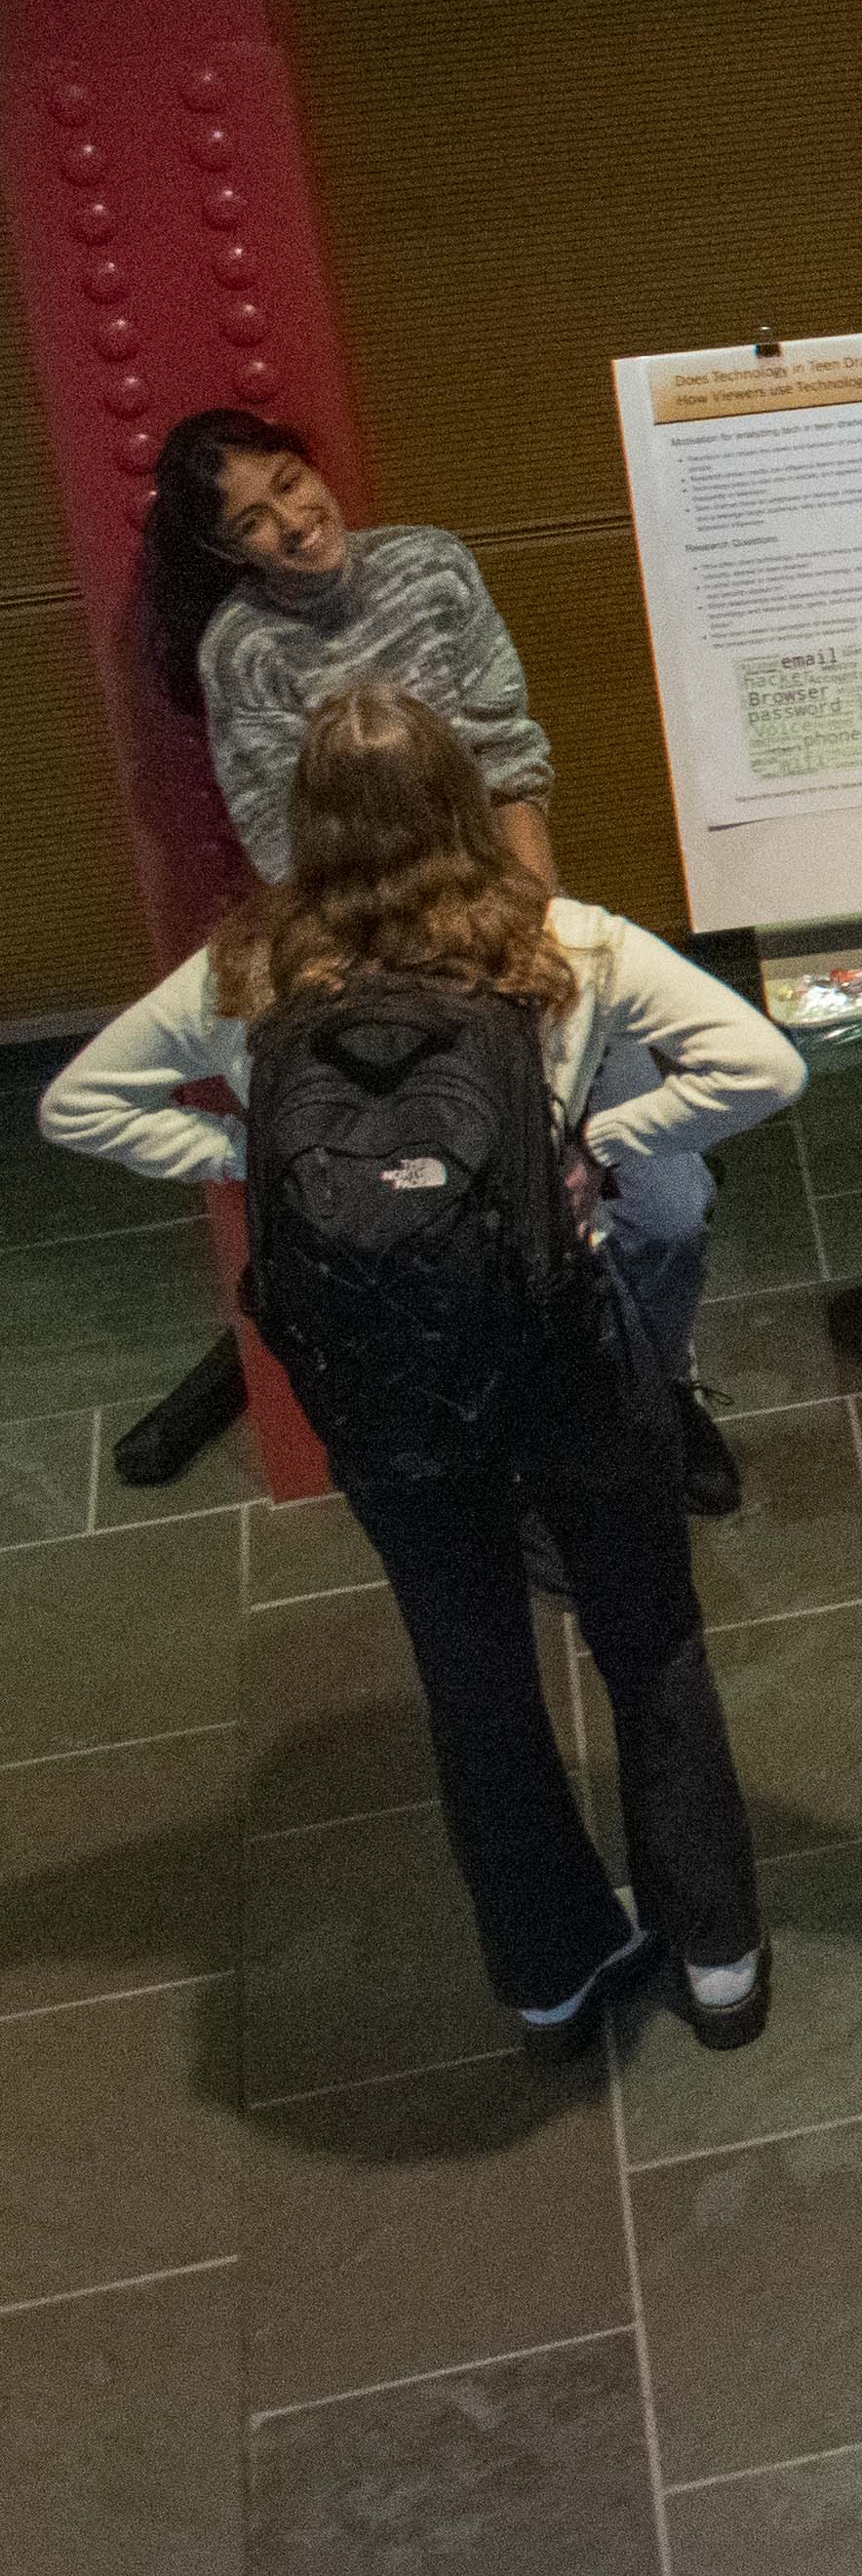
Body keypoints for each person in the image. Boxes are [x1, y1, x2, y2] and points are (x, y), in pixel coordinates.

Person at [40, 687, 789, 2057]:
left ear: (305, 823)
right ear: (462, 801)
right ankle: (720, 1956)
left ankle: (550, 1974)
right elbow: (762, 1064)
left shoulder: (245, 974)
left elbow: (76, 1100)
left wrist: (243, 1164)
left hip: (380, 1378)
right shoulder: (559, 945)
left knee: (471, 1668)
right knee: (649, 1639)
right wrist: (601, 1144)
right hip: (559, 1347)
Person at [140, 407, 746, 1514]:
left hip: (510, 930)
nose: (291, 521)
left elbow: (512, 760)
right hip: (386, 975)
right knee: (472, 1227)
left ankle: (645, 1394)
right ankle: (533, 1428)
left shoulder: (430, 564)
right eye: (253, 519)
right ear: (228, 550)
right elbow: (290, 849)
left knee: (668, 1209)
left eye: (290, 482)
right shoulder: (241, 650)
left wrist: (537, 940)